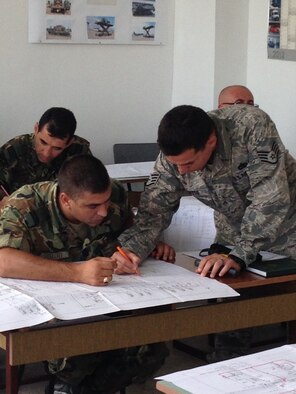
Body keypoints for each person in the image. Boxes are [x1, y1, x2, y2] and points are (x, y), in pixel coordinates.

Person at [0, 154, 169, 394]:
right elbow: (3, 260)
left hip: (111, 297)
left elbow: (130, 233)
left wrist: (141, 249)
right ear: (66, 200)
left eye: (106, 202)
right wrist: (77, 272)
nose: (103, 212)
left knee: (152, 344)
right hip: (54, 306)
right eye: (92, 206)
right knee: (81, 345)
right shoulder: (25, 204)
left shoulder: (116, 195)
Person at [119, 104, 296, 280]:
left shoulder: (251, 126)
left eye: (188, 163)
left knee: (283, 295)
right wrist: (130, 251)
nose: (181, 171)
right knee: (228, 287)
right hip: (233, 232)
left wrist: (240, 254)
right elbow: (153, 213)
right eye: (175, 164)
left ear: (211, 141)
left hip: (287, 228)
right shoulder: (173, 156)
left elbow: (269, 198)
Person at [0, 107, 91, 209]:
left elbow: (89, 187)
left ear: (69, 143)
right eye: (43, 142)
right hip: (19, 215)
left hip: (64, 213)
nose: (47, 153)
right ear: (36, 129)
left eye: (57, 148)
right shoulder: (13, 150)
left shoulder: (79, 152)